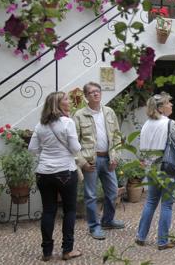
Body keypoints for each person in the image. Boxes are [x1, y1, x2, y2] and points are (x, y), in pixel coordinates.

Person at [28, 91, 82, 261]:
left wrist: (48, 152)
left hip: (43, 173)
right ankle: (67, 250)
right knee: (70, 210)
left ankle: (46, 252)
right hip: (65, 171)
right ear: (58, 105)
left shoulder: (40, 125)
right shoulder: (67, 123)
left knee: (49, 211)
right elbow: (76, 149)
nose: (69, 101)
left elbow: (32, 149)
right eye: (65, 99)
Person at [135, 92, 175, 250]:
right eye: (168, 103)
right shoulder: (170, 123)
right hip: (167, 168)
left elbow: (142, 149)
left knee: (151, 202)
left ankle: (140, 236)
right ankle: (163, 241)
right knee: (167, 205)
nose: (171, 105)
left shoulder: (146, 124)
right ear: (160, 107)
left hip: (151, 168)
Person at [73, 81, 124, 240]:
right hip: (91, 162)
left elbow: (116, 136)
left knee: (112, 191)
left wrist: (115, 157)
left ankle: (107, 220)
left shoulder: (109, 112)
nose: (96, 94)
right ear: (86, 96)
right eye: (92, 92)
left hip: (108, 159)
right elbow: (74, 142)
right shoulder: (79, 115)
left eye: (98, 91)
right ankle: (94, 227)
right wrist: (82, 163)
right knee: (91, 195)